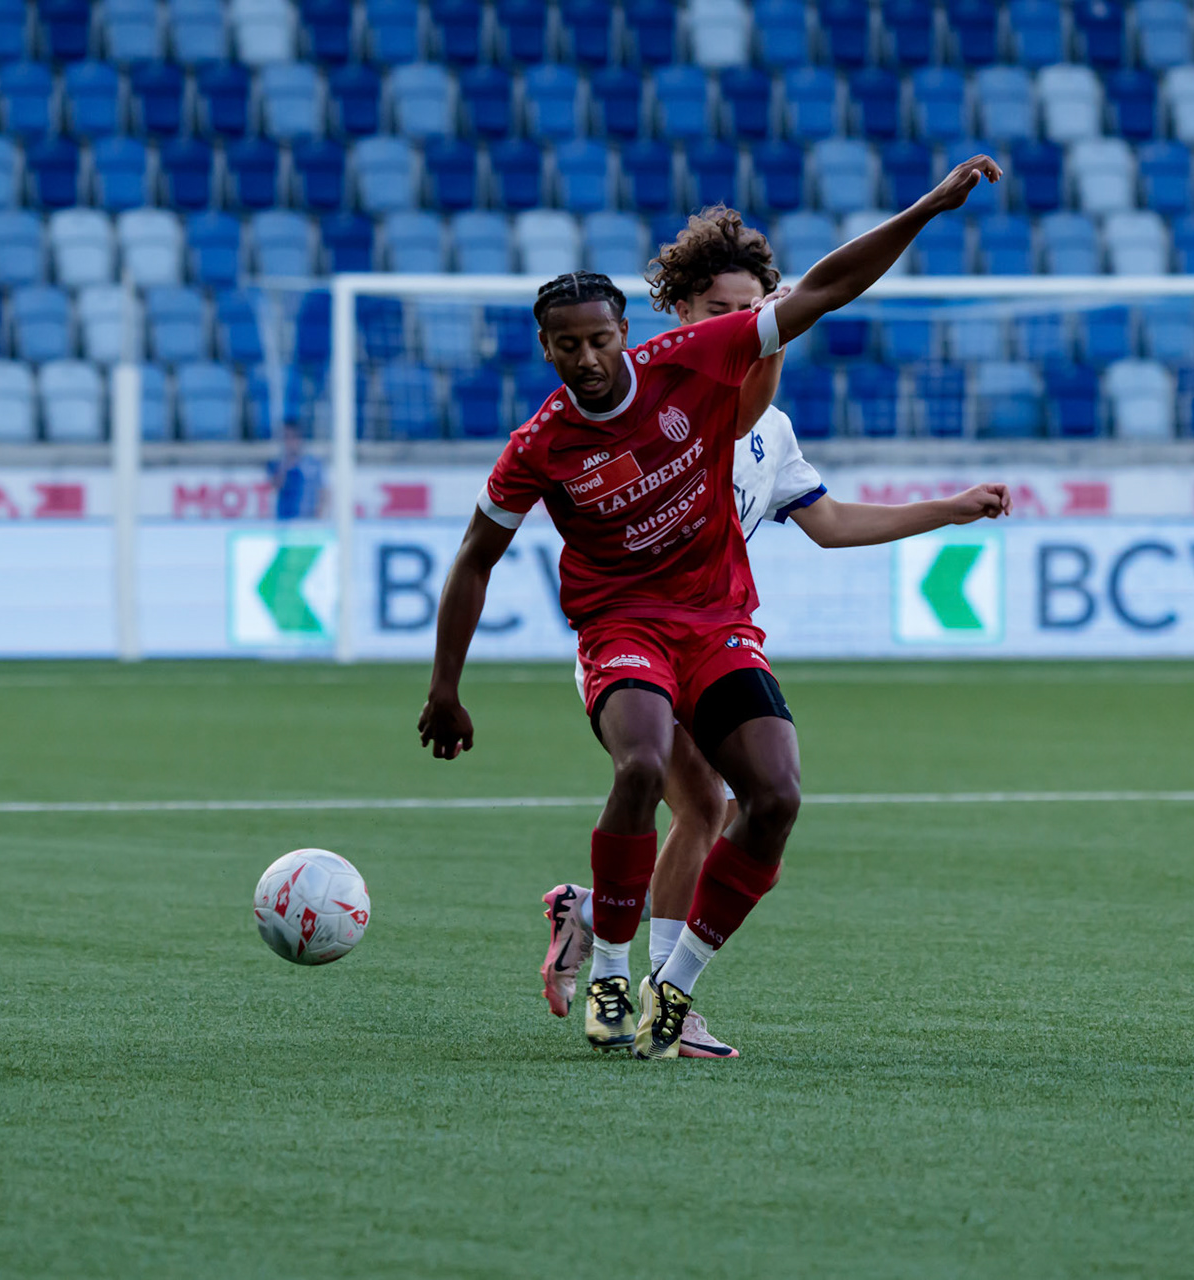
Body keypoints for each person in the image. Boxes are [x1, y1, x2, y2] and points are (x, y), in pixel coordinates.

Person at [419, 155, 1004, 1061]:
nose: (587, 357)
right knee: (665, 782)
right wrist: (445, 686)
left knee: (766, 797)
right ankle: (619, 975)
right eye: (566, 345)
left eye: (748, 310)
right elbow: (474, 556)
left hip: (718, 627)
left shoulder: (745, 406)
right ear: (674, 315)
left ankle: (656, 975)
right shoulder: (547, 441)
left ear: (625, 334)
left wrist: (927, 209)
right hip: (623, 632)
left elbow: (831, 491)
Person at [267, 423, 324, 520]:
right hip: (284, 521)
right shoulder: (276, 464)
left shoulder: (313, 463)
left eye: (293, 437)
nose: (290, 442)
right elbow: (276, 486)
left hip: (308, 520)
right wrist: (286, 463)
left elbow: (323, 492)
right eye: (286, 438)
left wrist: (318, 516)